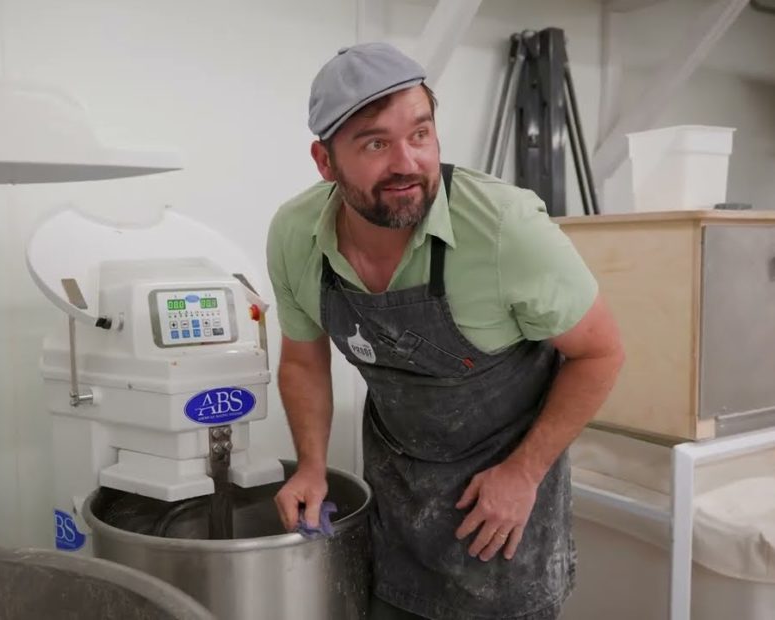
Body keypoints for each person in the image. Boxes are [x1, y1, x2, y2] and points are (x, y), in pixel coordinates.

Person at [265, 42, 624, 620]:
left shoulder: (506, 229)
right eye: (375, 143)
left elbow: (600, 353)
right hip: (396, 505)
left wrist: (524, 472)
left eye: (420, 133)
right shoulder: (296, 235)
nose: (406, 162)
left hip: (504, 514)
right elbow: (304, 360)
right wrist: (310, 466)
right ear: (325, 162)